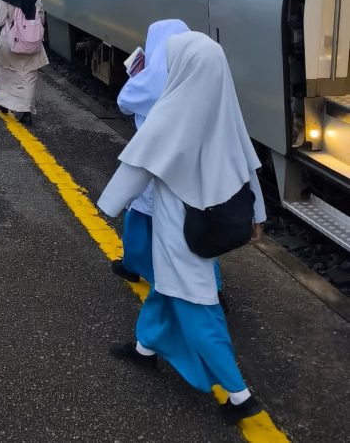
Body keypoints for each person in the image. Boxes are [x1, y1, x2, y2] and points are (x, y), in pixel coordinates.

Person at [98, 32, 267, 426]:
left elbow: (139, 163)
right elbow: (248, 167)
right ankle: (145, 348)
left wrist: (109, 204)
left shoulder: (172, 110)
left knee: (195, 302)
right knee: (166, 289)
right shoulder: (225, 110)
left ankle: (239, 395)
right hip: (210, 225)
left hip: (181, 228)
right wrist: (258, 214)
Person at [108, 19, 191, 284]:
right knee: (189, 221)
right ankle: (209, 285)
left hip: (152, 158)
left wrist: (136, 76)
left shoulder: (151, 77)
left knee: (143, 210)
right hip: (188, 162)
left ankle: (136, 266)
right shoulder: (196, 74)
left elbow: (124, 103)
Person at [0, 0, 48, 125]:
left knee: (7, 73)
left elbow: (0, 20)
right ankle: (25, 110)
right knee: (29, 76)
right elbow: (42, 17)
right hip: (33, 43)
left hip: (10, 43)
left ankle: (3, 101)